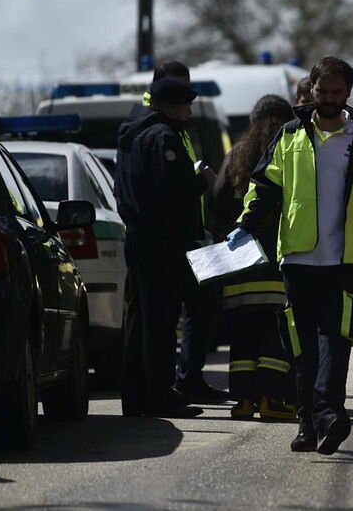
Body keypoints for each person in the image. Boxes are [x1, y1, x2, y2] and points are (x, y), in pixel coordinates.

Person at [226, 56, 353, 455]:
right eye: (322, 91)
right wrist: (245, 224)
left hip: (343, 262)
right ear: (310, 90)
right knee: (300, 348)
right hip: (298, 260)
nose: (330, 99)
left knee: (336, 344)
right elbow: (264, 187)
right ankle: (307, 424)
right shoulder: (290, 135)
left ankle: (329, 415)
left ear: (348, 93)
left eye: (337, 92)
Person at [115, 76, 210, 418]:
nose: (188, 111)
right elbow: (175, 190)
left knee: (140, 319)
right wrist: (201, 181)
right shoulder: (163, 136)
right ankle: (158, 396)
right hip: (162, 240)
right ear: (171, 105)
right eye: (186, 105)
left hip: (139, 236)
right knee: (160, 321)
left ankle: (136, 395)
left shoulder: (132, 133)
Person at [139, 61, 228, 405]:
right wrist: (201, 180)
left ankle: (189, 378)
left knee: (203, 306)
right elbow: (173, 188)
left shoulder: (177, 129)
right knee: (177, 312)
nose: (187, 100)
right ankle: (178, 383)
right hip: (172, 240)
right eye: (179, 90)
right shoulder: (158, 130)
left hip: (194, 234)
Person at [209, 95, 298, 421]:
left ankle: (243, 401)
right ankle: (271, 400)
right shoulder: (288, 153)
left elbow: (216, 205)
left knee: (243, 336)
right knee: (274, 334)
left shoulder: (236, 157)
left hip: (240, 266)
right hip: (277, 262)